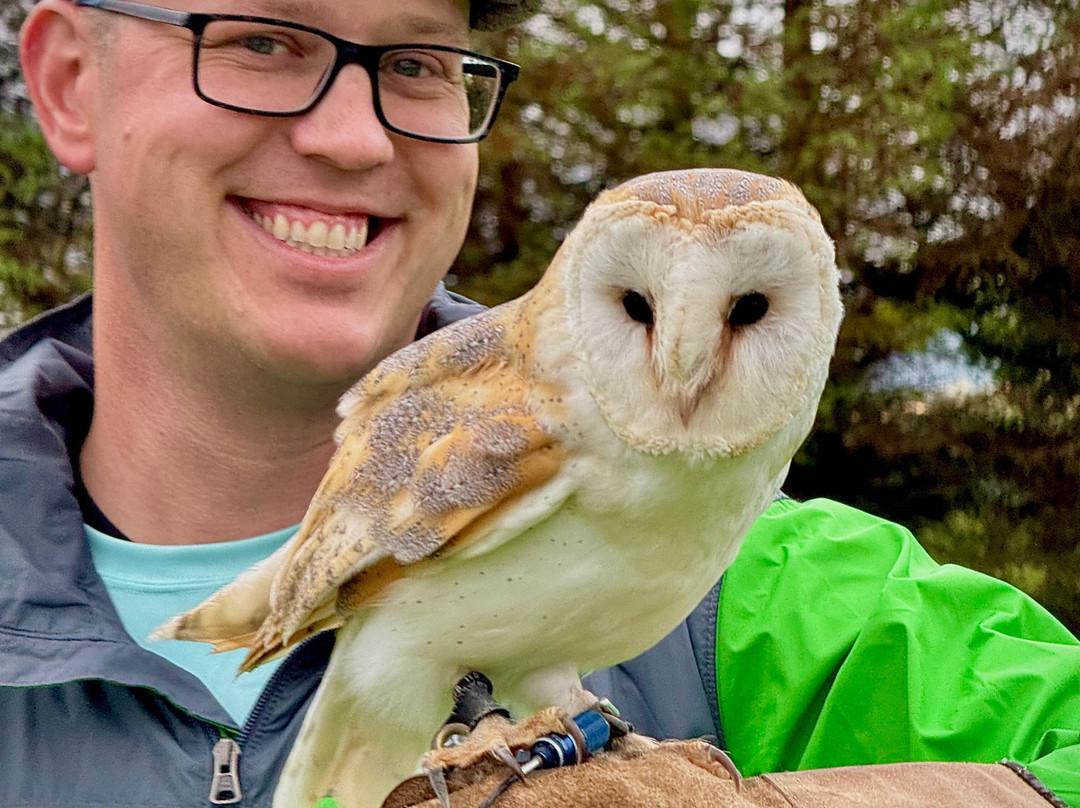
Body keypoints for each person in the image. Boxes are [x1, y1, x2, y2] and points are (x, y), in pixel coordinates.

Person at [2, 0, 1078, 805]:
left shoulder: (771, 598)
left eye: (417, 61)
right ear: (67, 84)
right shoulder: (500, 437)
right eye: (259, 40)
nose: (352, 138)